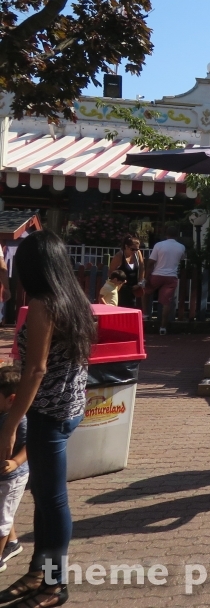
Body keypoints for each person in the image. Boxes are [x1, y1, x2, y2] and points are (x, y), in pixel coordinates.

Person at [0, 230, 94, 607]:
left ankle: (55, 585)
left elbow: (35, 370)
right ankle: (39, 571)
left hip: (49, 415)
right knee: (45, 498)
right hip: (70, 408)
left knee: (53, 502)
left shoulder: (43, 304)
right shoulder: (73, 298)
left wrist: (10, 423)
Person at [0, 368, 28, 576]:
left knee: (2, 519)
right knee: (3, 511)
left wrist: (15, 462)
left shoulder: (20, 419)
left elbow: (31, 445)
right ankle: (13, 543)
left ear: (11, 399)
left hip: (12, 477)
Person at [142, 224, 186, 335]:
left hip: (157, 274)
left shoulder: (159, 245)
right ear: (177, 235)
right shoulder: (181, 247)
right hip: (171, 276)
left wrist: (146, 278)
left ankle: (146, 314)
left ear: (166, 234)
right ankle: (163, 327)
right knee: (166, 302)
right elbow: (182, 258)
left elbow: (151, 262)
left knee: (146, 291)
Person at [108, 235, 144, 310]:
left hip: (134, 288)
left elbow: (142, 268)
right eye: (132, 249)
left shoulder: (138, 254)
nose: (135, 251)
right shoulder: (119, 256)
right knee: (121, 309)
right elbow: (111, 273)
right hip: (121, 289)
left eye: (137, 249)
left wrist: (140, 283)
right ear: (126, 246)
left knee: (133, 309)